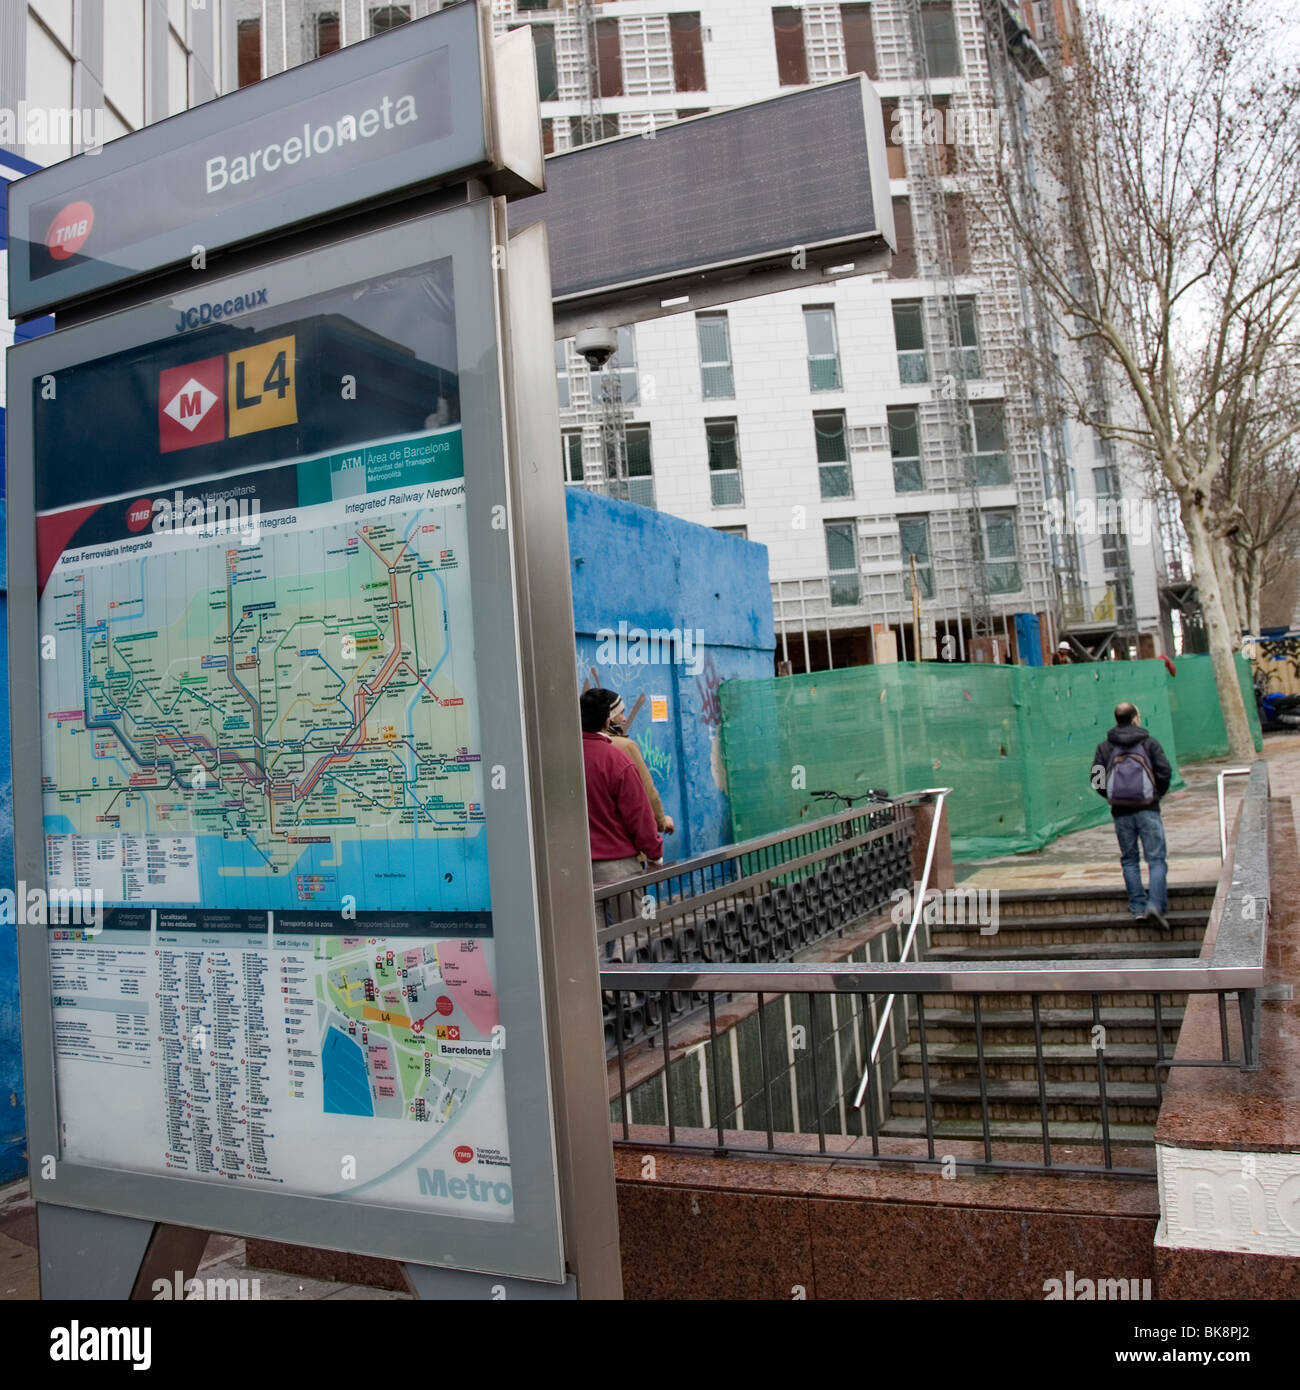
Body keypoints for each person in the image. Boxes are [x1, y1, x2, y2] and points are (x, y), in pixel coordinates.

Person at [1090, 701, 1173, 930]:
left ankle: (1138, 907)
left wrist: (1112, 796)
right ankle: (1155, 905)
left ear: (1117, 719)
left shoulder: (1104, 748)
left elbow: (1096, 779)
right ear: (1135, 718)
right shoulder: (1149, 743)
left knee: (1129, 859)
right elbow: (1165, 772)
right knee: (1155, 860)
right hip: (1148, 809)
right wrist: (1155, 795)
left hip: (1120, 812)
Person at [580, 688, 663, 892]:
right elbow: (639, 813)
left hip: (573, 869)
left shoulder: (560, 757)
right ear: (607, 721)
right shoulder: (617, 759)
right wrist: (654, 853)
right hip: (618, 867)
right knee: (633, 922)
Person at [606, 696, 675, 837]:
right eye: (621, 713)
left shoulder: (582, 747)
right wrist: (661, 821)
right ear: (610, 718)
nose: (624, 719)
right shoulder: (624, 746)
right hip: (623, 840)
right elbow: (647, 791)